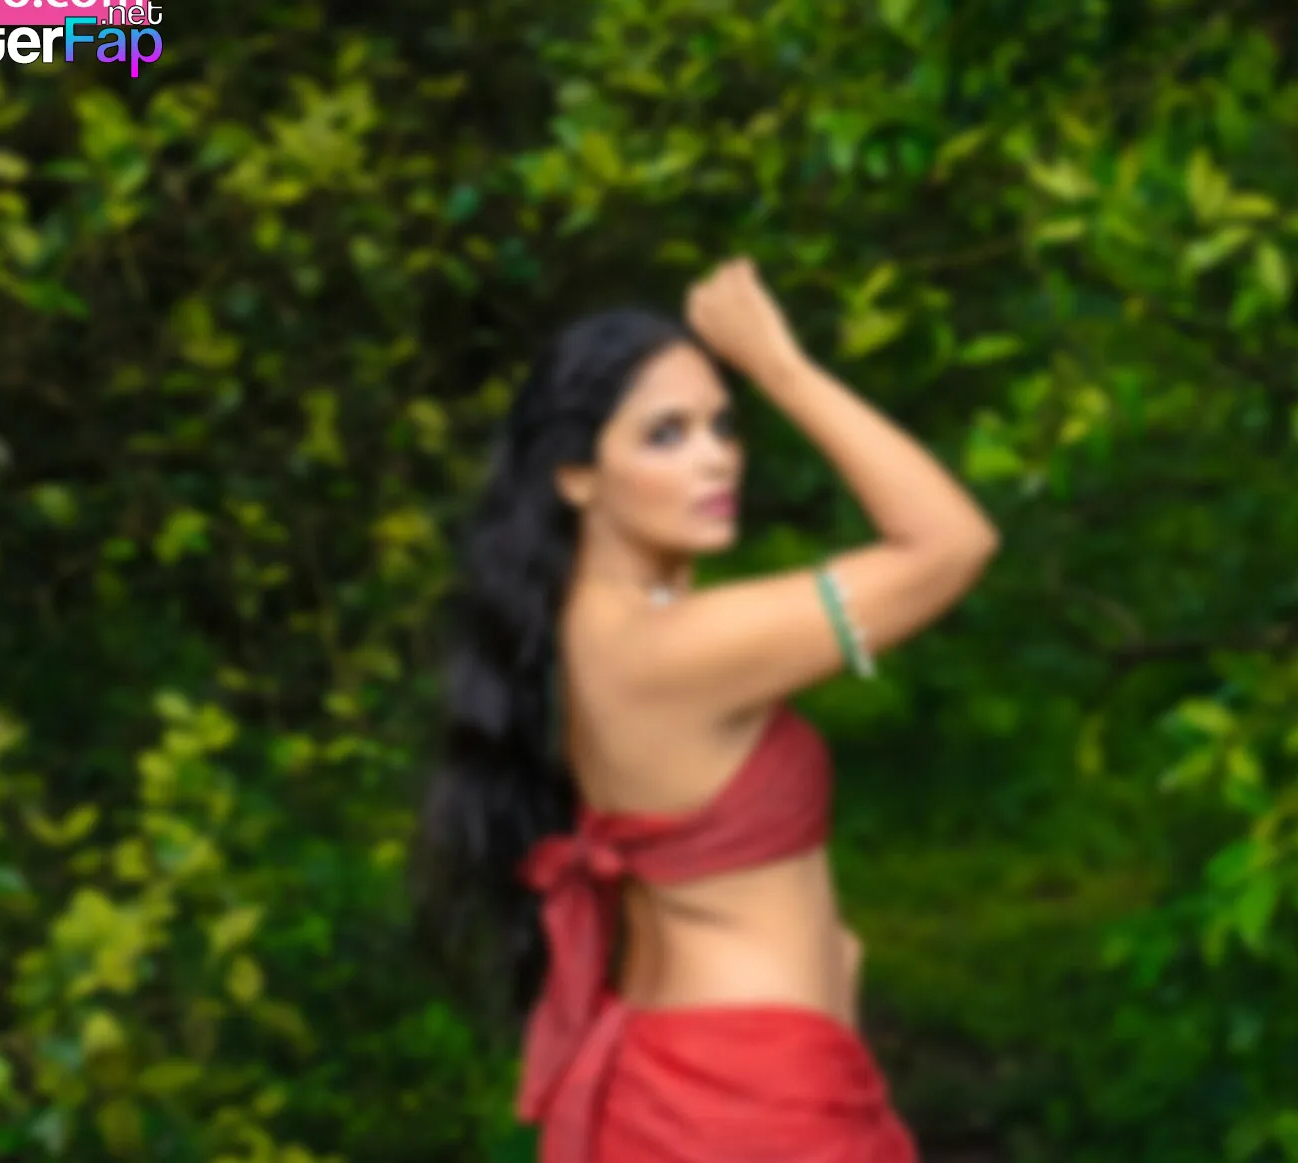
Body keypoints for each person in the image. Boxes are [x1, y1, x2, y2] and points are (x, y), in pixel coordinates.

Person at [414, 258, 999, 1163]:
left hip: (706, 1078)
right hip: (750, 1106)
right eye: (666, 434)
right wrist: (780, 367)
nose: (716, 455)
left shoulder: (596, 630)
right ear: (576, 475)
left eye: (723, 424)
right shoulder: (673, 651)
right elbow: (951, 543)